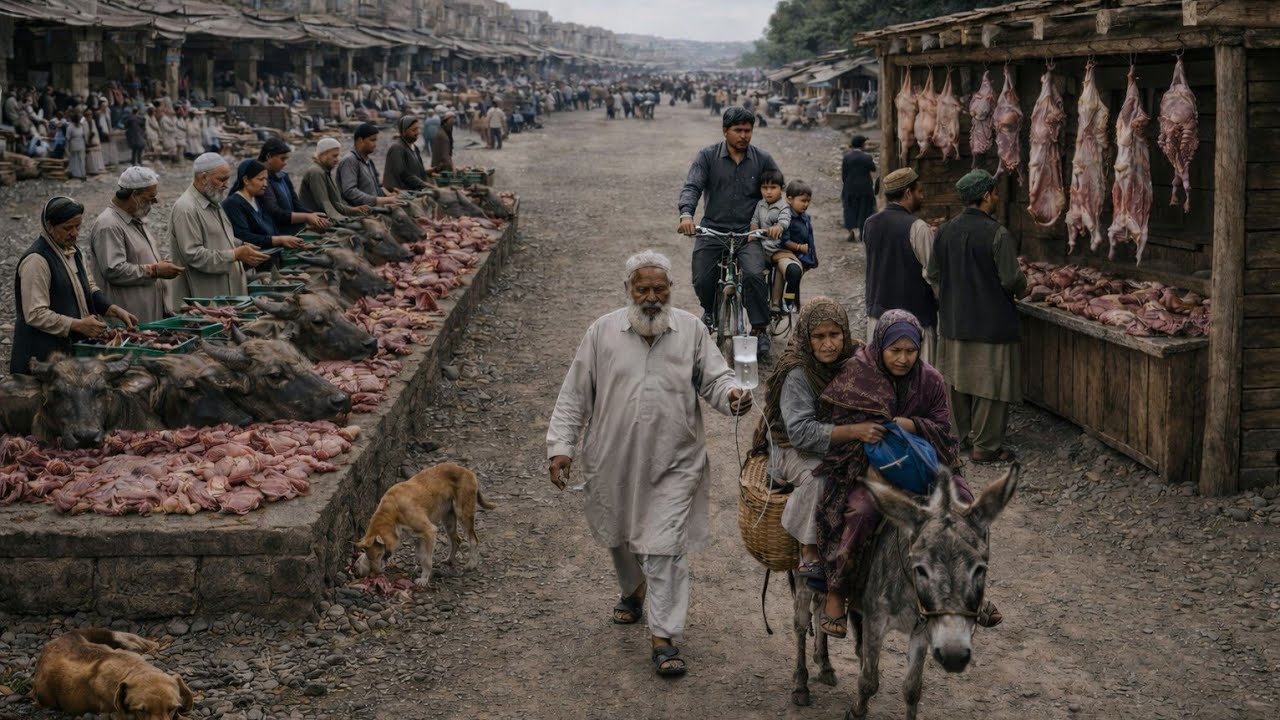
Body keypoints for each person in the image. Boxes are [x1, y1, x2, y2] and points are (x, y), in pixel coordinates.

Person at [546, 251, 752, 678]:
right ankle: (633, 590)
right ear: (628, 290)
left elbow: (715, 378)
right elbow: (574, 394)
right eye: (643, 289)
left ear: (671, 291)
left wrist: (732, 394)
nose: (652, 298)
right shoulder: (602, 333)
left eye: (660, 289)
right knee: (617, 532)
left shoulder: (691, 330)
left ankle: (664, 636)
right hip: (612, 457)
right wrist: (560, 447)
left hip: (675, 460)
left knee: (665, 547)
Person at [813, 309, 1001, 640]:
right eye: (895, 351)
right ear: (880, 346)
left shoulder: (930, 380)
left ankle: (975, 590)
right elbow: (838, 422)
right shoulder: (857, 374)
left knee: (970, 510)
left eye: (910, 351)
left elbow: (944, 428)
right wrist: (864, 433)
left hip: (928, 468)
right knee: (859, 512)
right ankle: (837, 591)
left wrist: (911, 425)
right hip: (867, 467)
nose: (903, 359)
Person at [751, 297, 857, 582]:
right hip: (791, 446)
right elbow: (801, 432)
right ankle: (810, 549)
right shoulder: (798, 372)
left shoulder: (855, 358)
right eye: (819, 336)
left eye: (835, 335)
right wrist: (851, 432)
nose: (828, 344)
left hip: (838, 443)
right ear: (805, 337)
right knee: (819, 477)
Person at [926, 169, 1026, 463]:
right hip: (992, 324)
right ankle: (986, 446)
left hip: (954, 321)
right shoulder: (998, 233)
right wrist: (1025, 285)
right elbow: (1011, 280)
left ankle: (957, 439)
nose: (996, 198)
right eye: (994, 193)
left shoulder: (943, 231)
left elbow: (933, 274)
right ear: (985, 196)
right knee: (991, 387)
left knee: (956, 382)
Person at [677, 106, 781, 354]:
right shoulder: (707, 157)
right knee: (702, 276)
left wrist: (776, 220)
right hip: (713, 229)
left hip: (749, 232)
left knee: (756, 275)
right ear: (725, 131)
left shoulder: (763, 159)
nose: (744, 135)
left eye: (748, 130)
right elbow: (692, 187)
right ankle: (710, 311)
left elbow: (776, 192)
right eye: (738, 130)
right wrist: (686, 215)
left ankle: (759, 328)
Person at [10, 197, 138, 374]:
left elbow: (89, 287)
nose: (74, 233)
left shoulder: (74, 251)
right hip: (41, 354)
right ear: (49, 226)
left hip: (68, 351)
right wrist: (76, 325)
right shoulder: (37, 260)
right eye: (67, 228)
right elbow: (35, 314)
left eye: (78, 226)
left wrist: (113, 309)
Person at [167, 152, 270, 306]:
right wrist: (234, 254)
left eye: (227, 179)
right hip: (206, 297)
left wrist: (240, 245)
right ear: (203, 178)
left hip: (226, 291)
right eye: (222, 179)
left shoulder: (213, 199)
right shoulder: (186, 208)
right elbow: (194, 255)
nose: (227, 184)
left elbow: (218, 236)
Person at [86, 167, 184, 324]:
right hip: (129, 316)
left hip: (148, 313)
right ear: (134, 195)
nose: (154, 203)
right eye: (149, 198)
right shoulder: (109, 225)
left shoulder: (134, 218)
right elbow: (114, 270)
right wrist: (154, 270)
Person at [863, 167, 939, 366]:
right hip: (915, 320)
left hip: (878, 318)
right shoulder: (918, 227)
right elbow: (933, 274)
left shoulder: (869, 224)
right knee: (918, 384)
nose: (921, 196)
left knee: (882, 380)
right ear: (907, 193)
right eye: (919, 191)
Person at [224, 159, 306, 253]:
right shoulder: (233, 204)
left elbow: (271, 229)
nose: (265, 184)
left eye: (266, 179)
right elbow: (244, 237)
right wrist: (279, 240)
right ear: (246, 180)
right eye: (261, 179)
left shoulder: (258, 200)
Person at [258, 138, 329, 236]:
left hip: (295, 229)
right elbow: (275, 213)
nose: (285, 163)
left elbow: (296, 205)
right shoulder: (262, 182)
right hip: (278, 233)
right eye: (282, 159)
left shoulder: (283, 177)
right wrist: (306, 217)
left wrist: (313, 215)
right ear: (269, 156)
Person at [772, 180, 818, 313]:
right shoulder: (786, 217)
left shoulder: (805, 217)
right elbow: (784, 240)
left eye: (808, 201)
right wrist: (798, 247)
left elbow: (810, 238)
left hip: (803, 255)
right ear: (789, 199)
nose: (806, 204)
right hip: (787, 253)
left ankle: (793, 303)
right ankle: (788, 301)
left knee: (795, 281)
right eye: (802, 201)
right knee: (793, 274)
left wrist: (813, 257)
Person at [300, 137, 371, 221]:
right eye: (334, 156)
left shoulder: (325, 171)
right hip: (317, 221)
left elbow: (336, 204)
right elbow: (325, 204)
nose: (337, 159)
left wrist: (355, 210)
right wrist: (345, 220)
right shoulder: (316, 172)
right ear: (323, 154)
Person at [841, 135, 877, 242]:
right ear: (862, 145)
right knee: (864, 210)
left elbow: (844, 174)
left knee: (850, 209)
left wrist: (847, 185)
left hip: (850, 188)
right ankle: (862, 233)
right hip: (865, 189)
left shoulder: (846, 157)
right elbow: (873, 169)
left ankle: (851, 232)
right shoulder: (866, 157)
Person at [383, 115, 430, 191]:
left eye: (417, 129)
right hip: (400, 193)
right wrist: (424, 185)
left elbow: (418, 171)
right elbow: (403, 174)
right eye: (414, 130)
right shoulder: (397, 148)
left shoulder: (415, 148)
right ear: (404, 132)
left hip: (414, 191)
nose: (417, 133)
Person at [65, 112, 87, 180]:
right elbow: (67, 138)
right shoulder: (70, 127)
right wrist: (67, 148)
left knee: (81, 159)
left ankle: (82, 174)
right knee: (74, 159)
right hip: (73, 144)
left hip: (81, 143)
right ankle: (74, 173)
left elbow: (83, 135)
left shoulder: (80, 126)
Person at [84, 111, 106, 176]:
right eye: (89, 115)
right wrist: (88, 140)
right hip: (89, 140)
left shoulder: (93, 121)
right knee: (91, 156)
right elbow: (86, 133)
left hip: (95, 139)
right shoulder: (84, 123)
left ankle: (99, 167)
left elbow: (95, 130)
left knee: (97, 155)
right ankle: (91, 170)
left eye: (91, 115)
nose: (90, 116)